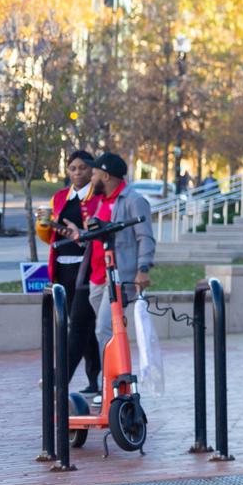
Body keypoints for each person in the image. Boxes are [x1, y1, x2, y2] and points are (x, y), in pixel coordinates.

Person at [84, 153, 155, 362]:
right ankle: (112, 380)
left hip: (119, 277)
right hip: (98, 277)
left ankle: (112, 382)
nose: (91, 177)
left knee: (104, 329)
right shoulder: (102, 201)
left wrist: (142, 270)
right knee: (110, 331)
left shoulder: (134, 201)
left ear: (106, 176)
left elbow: (146, 237)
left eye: (95, 173)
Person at [47, 150, 102, 396]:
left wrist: (78, 234)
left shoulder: (96, 198)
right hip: (62, 267)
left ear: (92, 170)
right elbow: (49, 234)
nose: (77, 172)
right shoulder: (59, 197)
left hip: (87, 268)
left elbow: (96, 234)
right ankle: (93, 379)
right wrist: (46, 226)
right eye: (73, 168)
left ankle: (60, 379)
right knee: (82, 325)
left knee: (79, 324)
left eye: (82, 168)